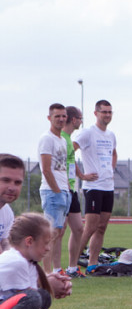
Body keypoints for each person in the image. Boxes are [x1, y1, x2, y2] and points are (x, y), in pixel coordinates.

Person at [0, 213, 72, 309]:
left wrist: (57, 283)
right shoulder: (15, 262)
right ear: (29, 241)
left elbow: (34, 305)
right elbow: (31, 302)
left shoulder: (27, 262)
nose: (48, 249)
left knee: (42, 297)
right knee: (33, 299)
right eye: (45, 243)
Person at [73, 100, 117, 271]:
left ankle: (92, 264)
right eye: (104, 112)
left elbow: (114, 153)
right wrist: (81, 174)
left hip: (108, 186)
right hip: (93, 187)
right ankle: (73, 263)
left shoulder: (111, 135)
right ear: (96, 113)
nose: (107, 115)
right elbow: (70, 151)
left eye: (109, 112)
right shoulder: (87, 133)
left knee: (102, 227)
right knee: (90, 227)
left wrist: (110, 169)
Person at [38, 104, 72, 274]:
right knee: (50, 235)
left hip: (64, 191)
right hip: (52, 192)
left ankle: (57, 270)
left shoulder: (62, 140)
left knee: (58, 233)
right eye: (57, 116)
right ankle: (46, 272)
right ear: (49, 118)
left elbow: (62, 167)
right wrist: (57, 190)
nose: (61, 119)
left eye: (63, 116)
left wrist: (65, 188)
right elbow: (45, 169)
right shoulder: (47, 138)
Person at [61, 106, 92, 278]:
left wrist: (82, 176)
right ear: (74, 120)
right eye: (80, 118)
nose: (81, 121)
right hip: (62, 189)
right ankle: (54, 270)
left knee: (78, 229)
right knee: (59, 230)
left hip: (72, 190)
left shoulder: (68, 140)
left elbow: (72, 163)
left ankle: (72, 268)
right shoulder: (62, 140)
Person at [0, 154, 25, 254]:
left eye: (17, 182)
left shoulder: (6, 211)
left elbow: (4, 242)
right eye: (6, 180)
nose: (12, 187)